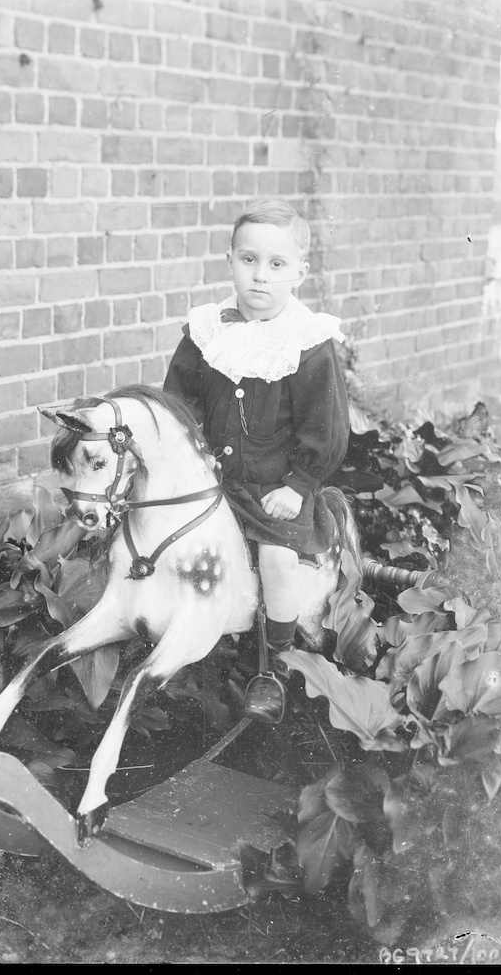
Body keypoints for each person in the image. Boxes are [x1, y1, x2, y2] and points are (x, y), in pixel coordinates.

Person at [163, 199, 350, 720]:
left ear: (299, 273)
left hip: (275, 489)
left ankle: (277, 663)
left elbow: (326, 427)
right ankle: (179, 647)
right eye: (249, 260)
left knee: (276, 560)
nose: (260, 277)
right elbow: (180, 403)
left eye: (276, 265)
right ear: (230, 260)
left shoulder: (306, 343)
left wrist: (300, 484)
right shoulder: (205, 331)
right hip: (214, 482)